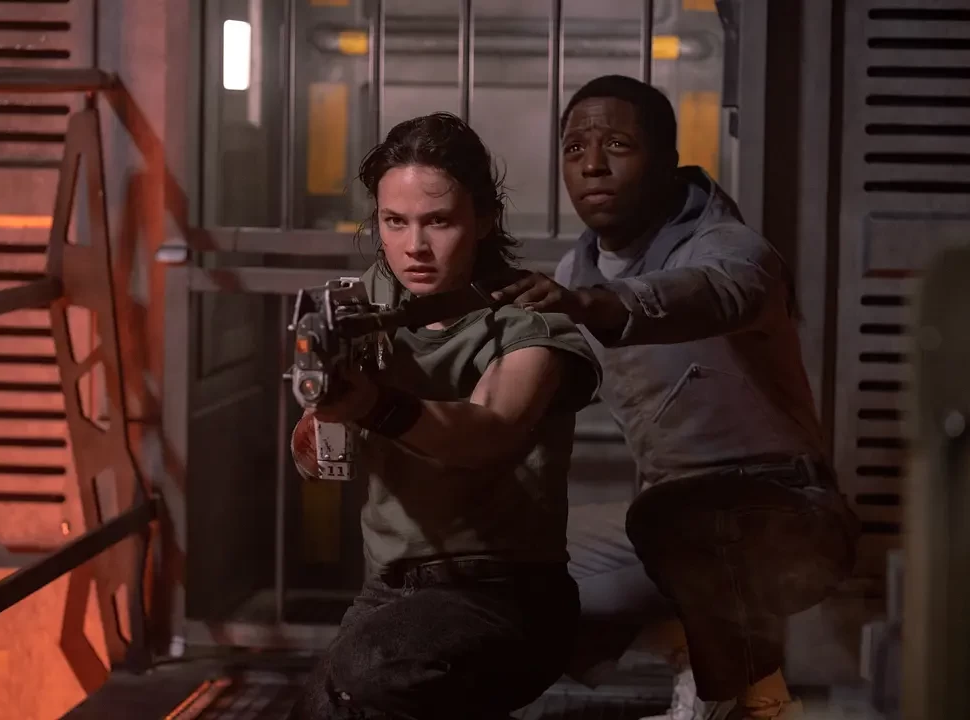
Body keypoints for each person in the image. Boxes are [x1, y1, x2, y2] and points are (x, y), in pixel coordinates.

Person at [493, 75, 861, 720]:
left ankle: (742, 702)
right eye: (575, 149)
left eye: (617, 144)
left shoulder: (730, 247)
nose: (593, 165)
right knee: (491, 547)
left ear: (666, 160)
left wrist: (596, 305)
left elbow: (718, 291)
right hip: (667, 520)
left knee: (678, 517)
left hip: (788, 513)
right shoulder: (579, 270)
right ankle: (683, 648)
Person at [288, 112, 602, 720]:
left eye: (439, 221)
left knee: (368, 672)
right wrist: (321, 420)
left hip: (503, 596)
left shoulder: (527, 320)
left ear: (484, 220)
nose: (415, 246)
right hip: (388, 590)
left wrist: (374, 405)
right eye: (394, 222)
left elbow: (491, 432)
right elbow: (314, 457)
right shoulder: (371, 301)